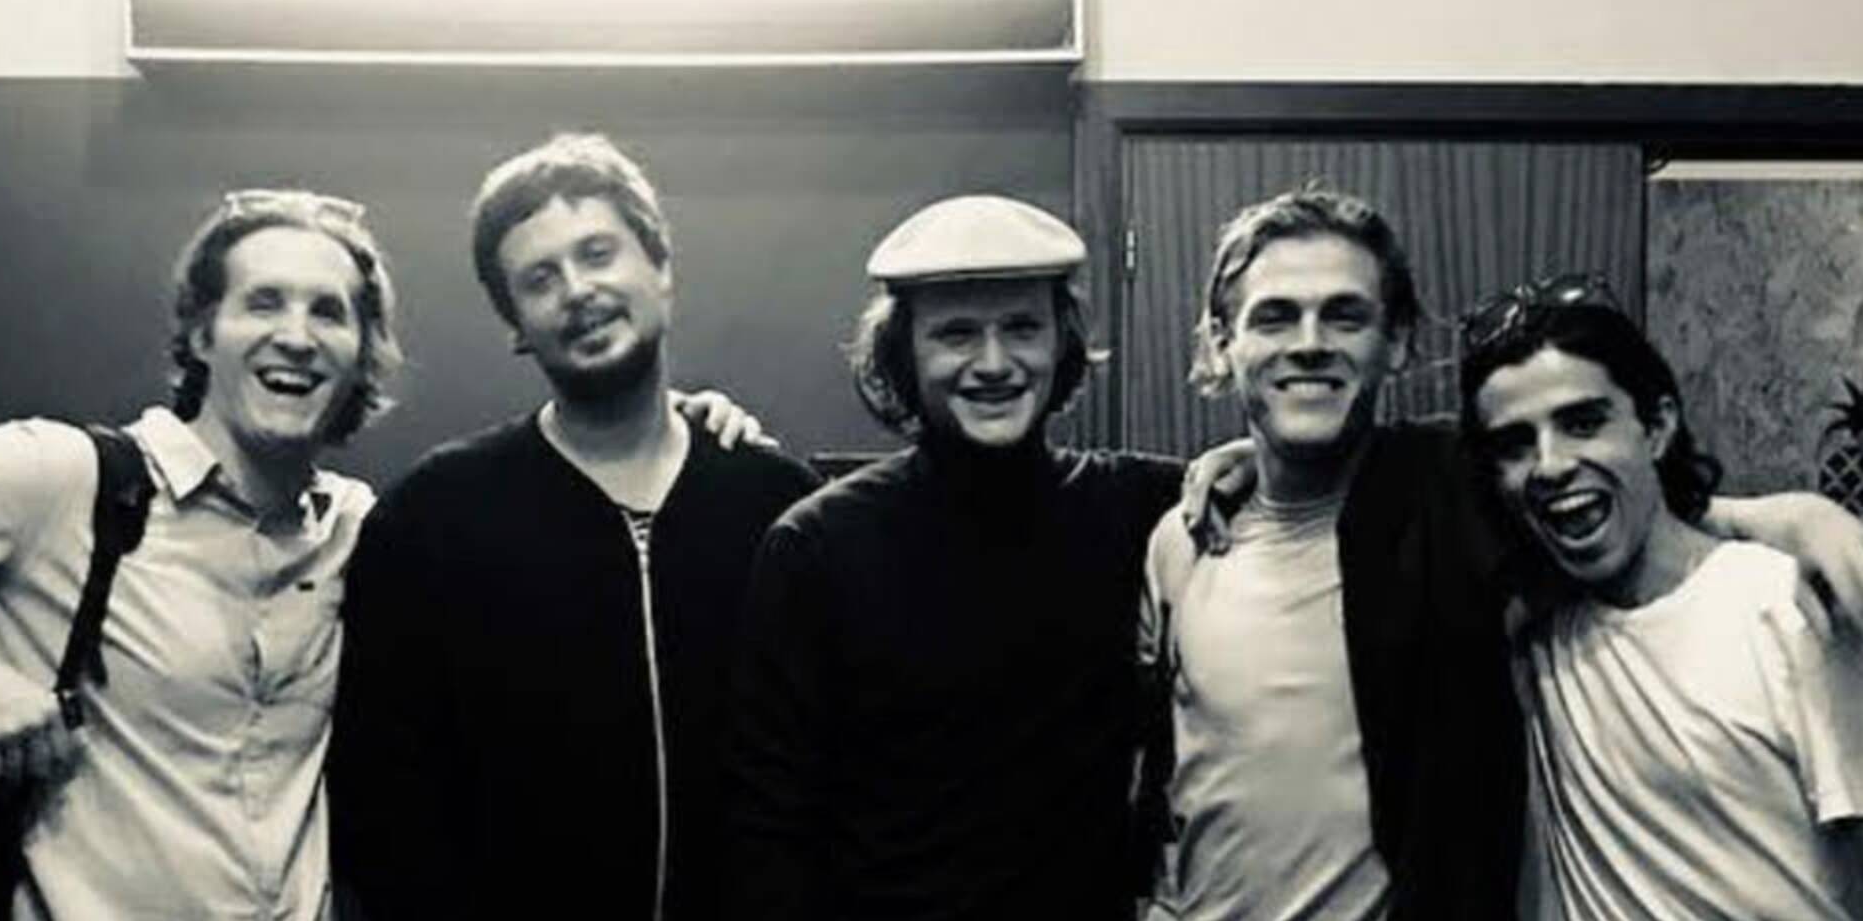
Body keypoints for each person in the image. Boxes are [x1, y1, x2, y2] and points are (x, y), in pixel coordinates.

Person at [1139, 188, 1863, 920]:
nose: (1309, 342)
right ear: (1220, 343)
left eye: (1345, 315)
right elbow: (1183, 775)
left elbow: (1605, 496)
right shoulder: (1181, 539)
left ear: (1397, 342)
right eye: (1274, 317)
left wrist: (1798, 516)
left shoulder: (1453, 498)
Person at [328, 133, 821, 921]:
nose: (578, 291)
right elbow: (383, 805)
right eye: (540, 278)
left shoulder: (777, 508)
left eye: (597, 254)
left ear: (661, 269)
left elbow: (825, 775)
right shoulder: (431, 521)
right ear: (516, 325)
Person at [0, 188, 400, 919]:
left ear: (361, 355)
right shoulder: (66, 480)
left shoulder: (358, 531)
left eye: (328, 312)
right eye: (263, 303)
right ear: (202, 336)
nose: (297, 336)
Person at [727, 195, 1183, 921]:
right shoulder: (818, 547)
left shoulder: (1143, 510)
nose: (993, 363)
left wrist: (1243, 463)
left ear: (1062, 343)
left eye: (1022, 328)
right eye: (957, 333)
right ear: (903, 352)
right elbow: (769, 830)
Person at [1458, 284, 1863, 919]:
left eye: (1583, 423)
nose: (1550, 465)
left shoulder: (1791, 606)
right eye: (1515, 444)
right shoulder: (1533, 629)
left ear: (1657, 427)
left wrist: (1807, 516)